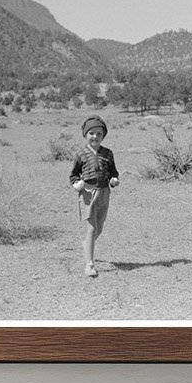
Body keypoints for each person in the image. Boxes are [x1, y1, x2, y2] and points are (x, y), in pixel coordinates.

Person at [69, 114, 120, 277]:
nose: (95, 136)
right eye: (91, 133)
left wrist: (114, 180)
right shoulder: (81, 154)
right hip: (88, 194)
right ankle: (89, 264)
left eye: (99, 133)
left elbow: (114, 173)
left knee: (99, 227)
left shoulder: (108, 153)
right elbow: (74, 175)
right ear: (85, 134)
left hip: (104, 192)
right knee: (91, 228)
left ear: (103, 135)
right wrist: (77, 184)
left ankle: (86, 246)